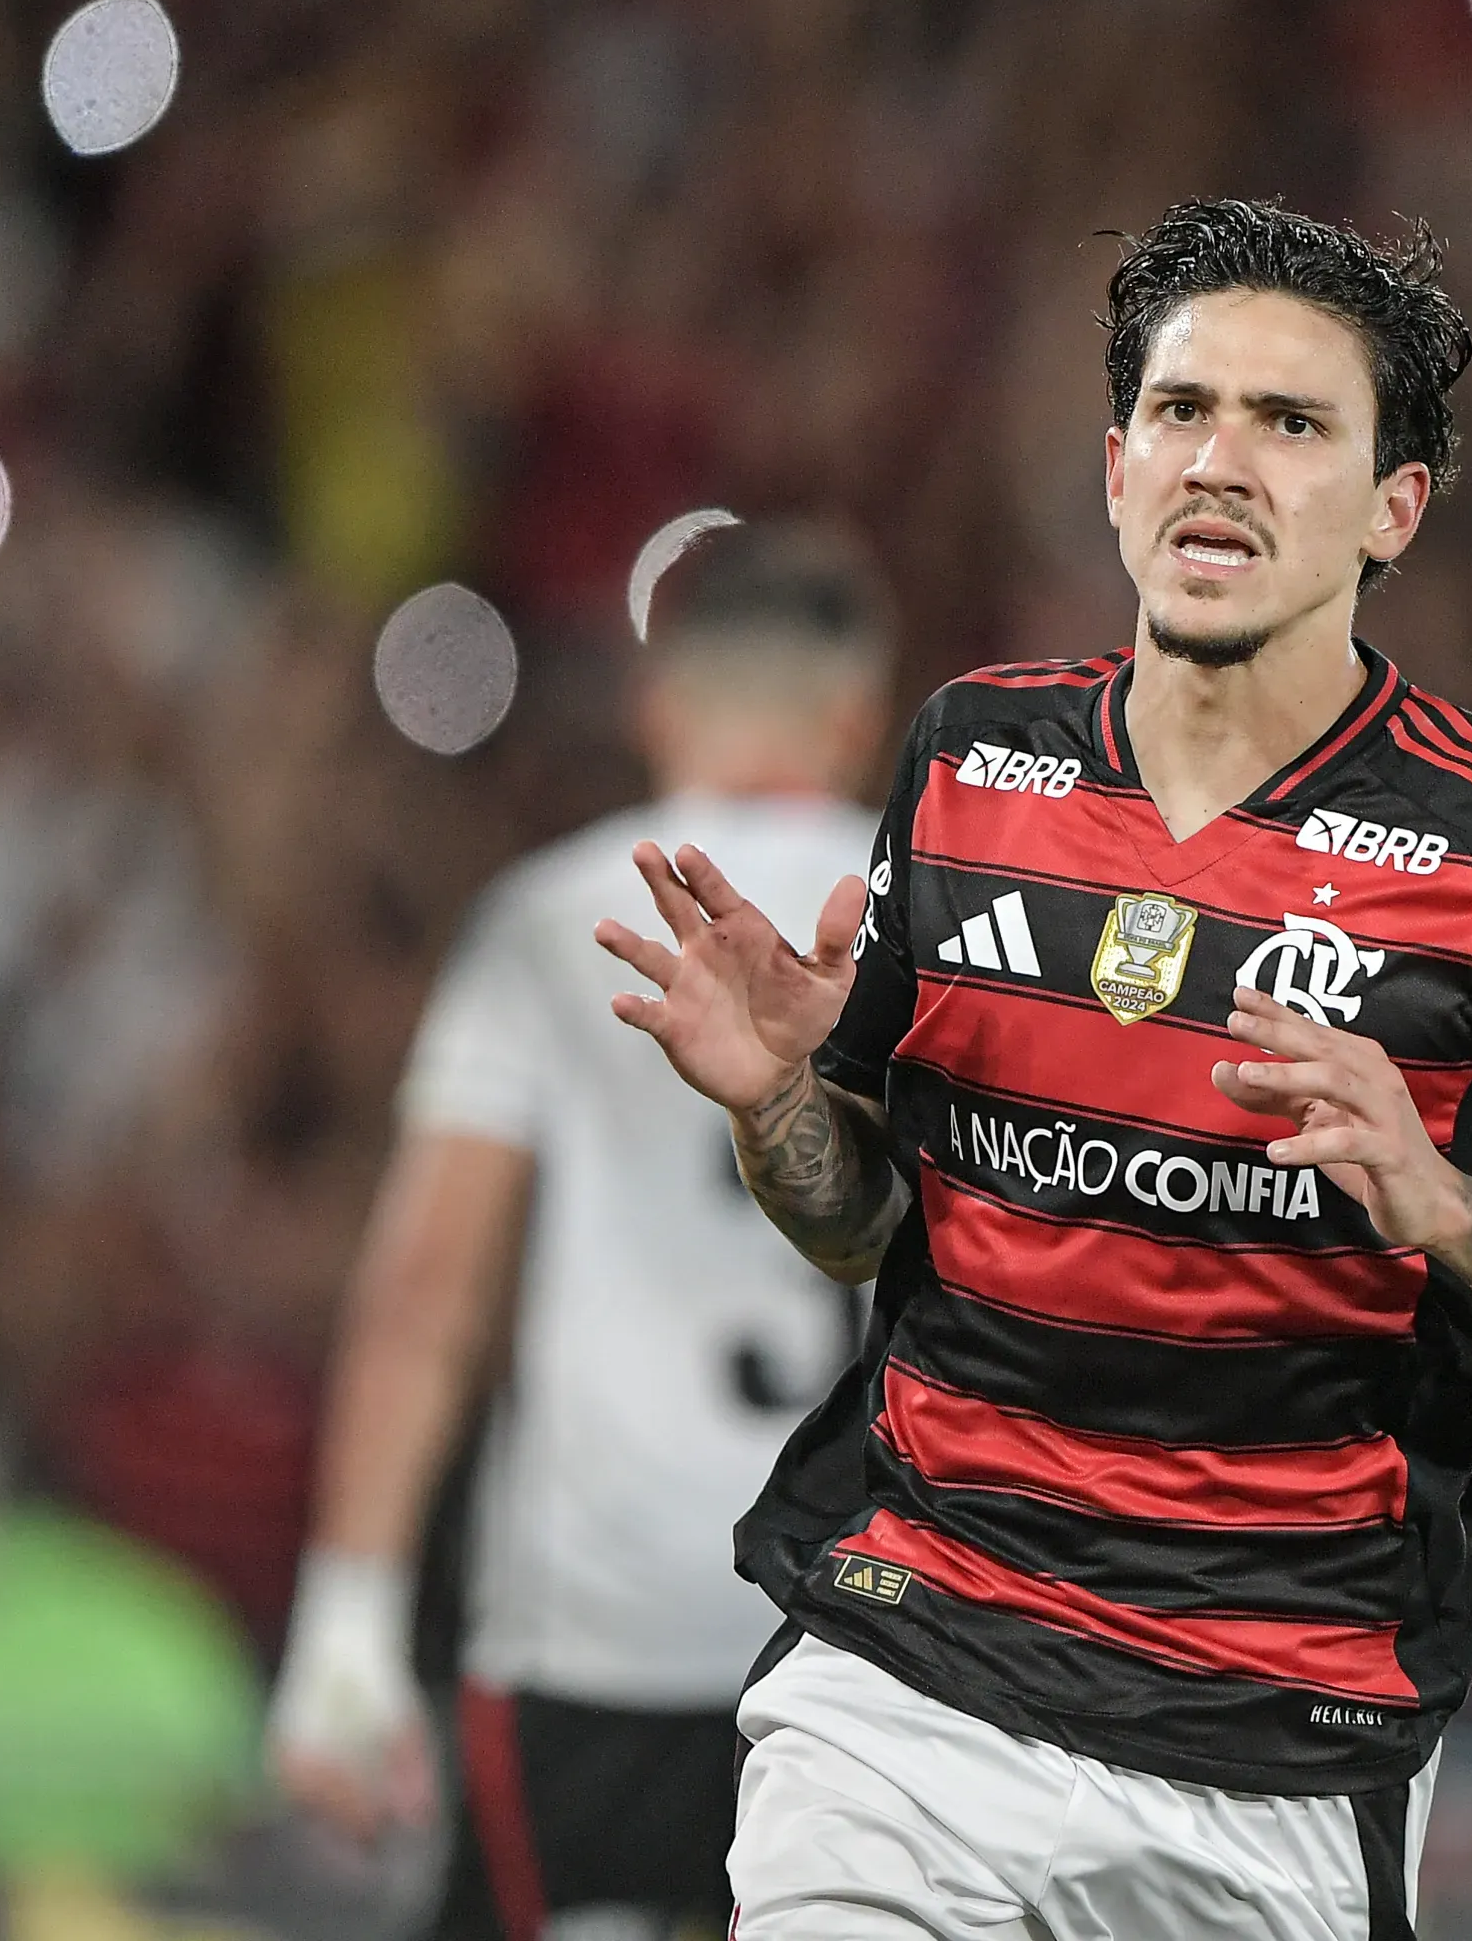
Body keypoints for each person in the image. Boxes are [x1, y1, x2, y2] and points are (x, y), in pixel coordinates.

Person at [596, 199, 1472, 1941]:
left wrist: (1450, 1210)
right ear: (1116, 471)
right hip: (908, 1684)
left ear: (1393, 508)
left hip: (1271, 1758)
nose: (1220, 462)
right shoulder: (971, 762)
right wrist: (775, 1097)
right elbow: (859, 1224)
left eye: (1292, 423)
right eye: (1182, 411)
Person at [268, 525, 892, 1940]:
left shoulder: (548, 920)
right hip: (873, 1627)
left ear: (656, 709)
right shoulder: (937, 924)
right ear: (857, 716)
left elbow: (429, 1290)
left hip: (601, 1627)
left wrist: (347, 1616)